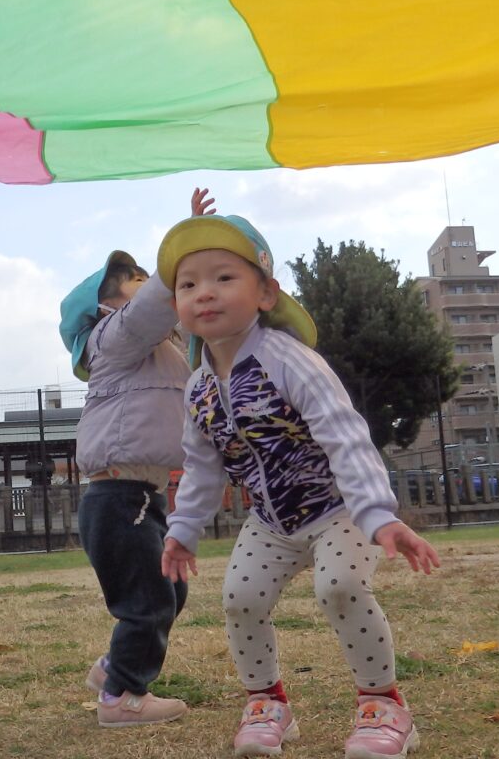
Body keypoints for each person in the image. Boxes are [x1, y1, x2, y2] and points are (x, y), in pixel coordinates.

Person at [158, 214, 441, 758]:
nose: (205, 293)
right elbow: (201, 465)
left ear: (266, 292)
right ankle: (267, 705)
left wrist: (378, 514)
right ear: (177, 307)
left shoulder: (291, 362)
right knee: (240, 598)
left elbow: (345, 435)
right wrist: (184, 529)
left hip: (339, 508)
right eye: (188, 284)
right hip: (270, 521)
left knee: (339, 587)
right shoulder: (197, 388)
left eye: (224, 278)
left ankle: (384, 706)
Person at [58, 188, 215, 727]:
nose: (152, 285)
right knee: (146, 599)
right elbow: (153, 310)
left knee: (170, 589)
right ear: (106, 304)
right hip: (117, 493)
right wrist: (186, 247)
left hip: (140, 493)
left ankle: (112, 669)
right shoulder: (112, 339)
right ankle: (122, 697)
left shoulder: (161, 349)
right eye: (139, 280)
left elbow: (198, 348)